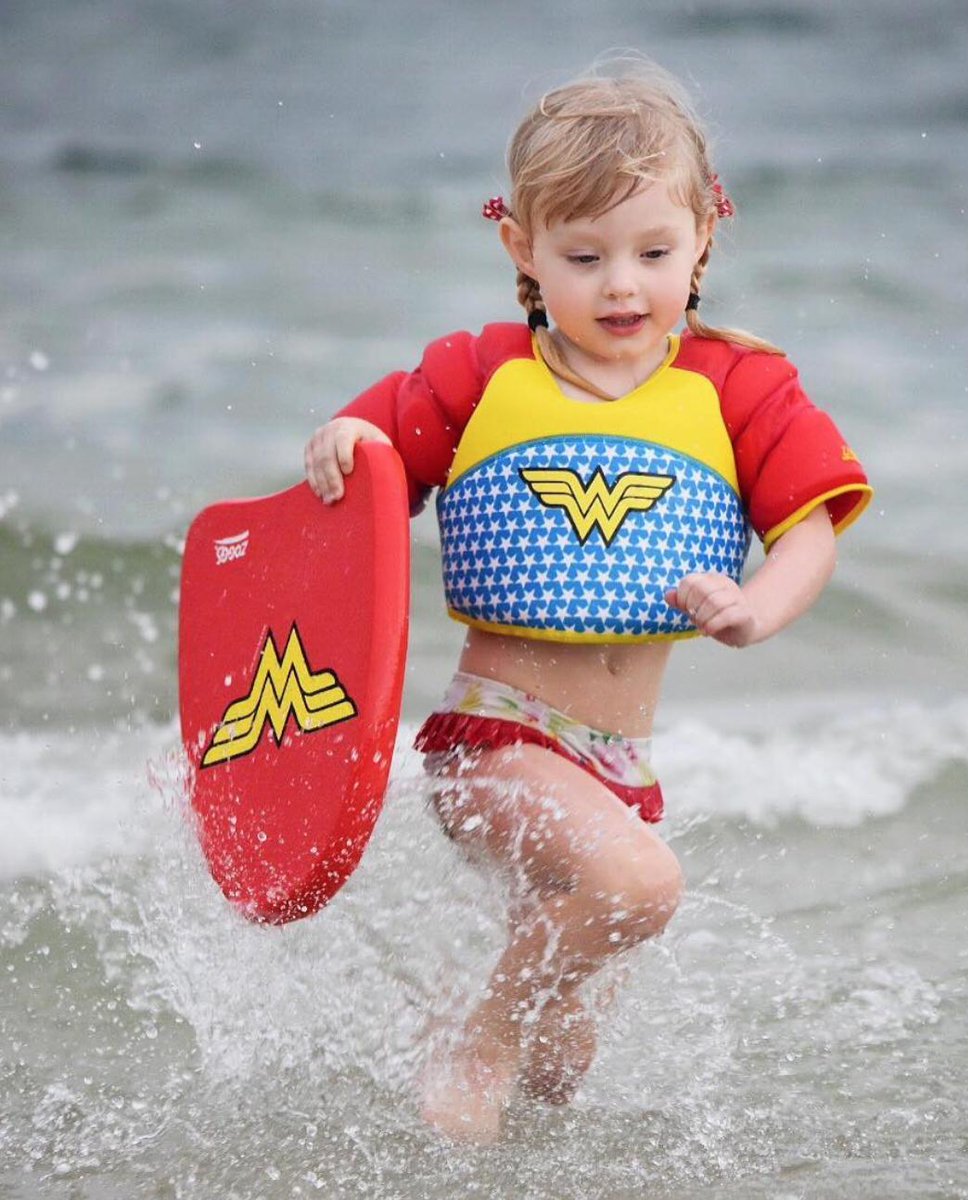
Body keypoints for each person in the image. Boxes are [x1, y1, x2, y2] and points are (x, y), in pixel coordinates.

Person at [303, 59, 871, 1144]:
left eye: (652, 253)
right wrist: (346, 438)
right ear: (519, 249)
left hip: (621, 771)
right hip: (492, 742)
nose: (621, 286)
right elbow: (364, 469)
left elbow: (806, 528)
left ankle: (456, 1066)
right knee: (640, 891)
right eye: (583, 256)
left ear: (705, 233)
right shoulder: (478, 375)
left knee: (565, 1069)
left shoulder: (736, 386)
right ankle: (474, 1036)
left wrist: (756, 608)